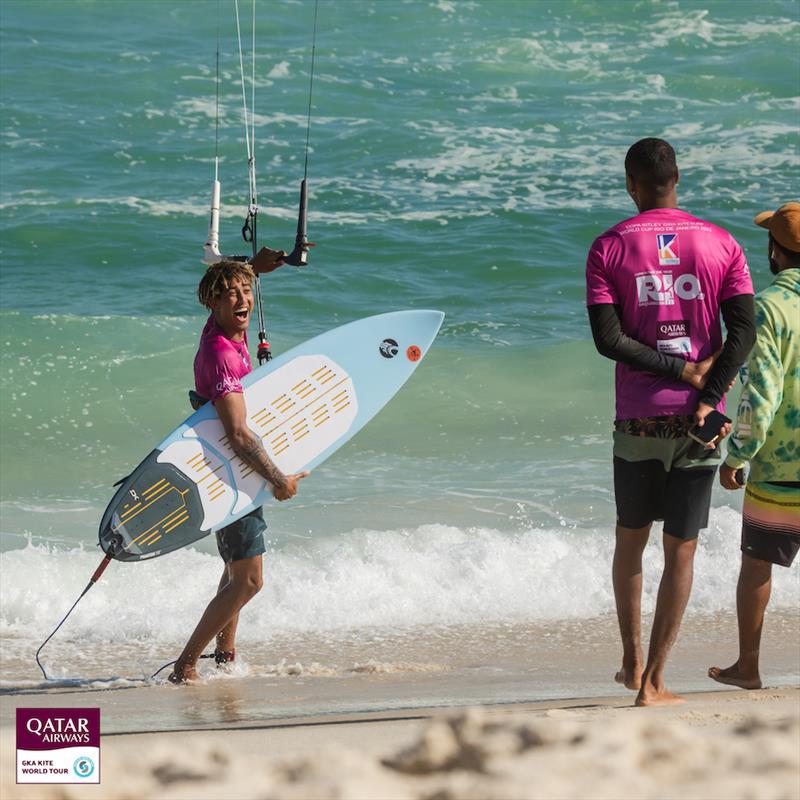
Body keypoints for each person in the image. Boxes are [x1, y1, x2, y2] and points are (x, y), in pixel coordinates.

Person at [585, 138, 756, 706]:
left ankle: (632, 663)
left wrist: (675, 370)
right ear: (677, 178)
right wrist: (706, 389)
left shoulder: (608, 247)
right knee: (681, 549)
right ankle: (656, 681)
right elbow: (744, 334)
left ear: (632, 184)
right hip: (701, 422)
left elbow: (608, 340)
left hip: (638, 420)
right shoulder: (722, 242)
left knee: (630, 541)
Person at [169, 248, 309, 684]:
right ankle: (186, 664)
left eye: (246, 291)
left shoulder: (224, 328)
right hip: (231, 467)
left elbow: (232, 283)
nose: (242, 300)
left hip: (227, 468)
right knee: (248, 581)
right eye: (230, 295)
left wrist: (256, 267)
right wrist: (277, 478)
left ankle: (225, 656)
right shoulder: (222, 354)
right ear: (212, 303)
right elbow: (239, 435)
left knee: (234, 574)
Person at [709, 202, 800, 690]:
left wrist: (737, 456)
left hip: (782, 467)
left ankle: (749, 667)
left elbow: (762, 393)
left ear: (774, 250)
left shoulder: (768, 307)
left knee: (758, 564)